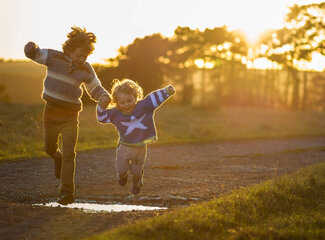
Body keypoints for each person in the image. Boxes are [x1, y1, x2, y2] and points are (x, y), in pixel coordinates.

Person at [24, 26, 110, 205]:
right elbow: (37, 54)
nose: (81, 60)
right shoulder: (55, 57)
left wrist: (103, 96)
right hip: (51, 114)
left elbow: (95, 88)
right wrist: (31, 49)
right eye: (79, 55)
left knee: (70, 153)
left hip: (71, 117)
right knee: (49, 148)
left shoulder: (86, 69)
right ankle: (57, 157)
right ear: (69, 50)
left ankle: (66, 192)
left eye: (85, 57)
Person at [97, 79, 175, 194]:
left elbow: (153, 99)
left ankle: (137, 183)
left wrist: (167, 91)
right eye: (122, 103)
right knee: (121, 169)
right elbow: (102, 118)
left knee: (136, 171)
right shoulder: (115, 113)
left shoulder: (143, 106)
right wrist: (101, 105)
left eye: (129, 101)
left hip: (140, 147)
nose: (126, 105)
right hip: (124, 147)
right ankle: (122, 176)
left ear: (136, 97)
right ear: (117, 102)